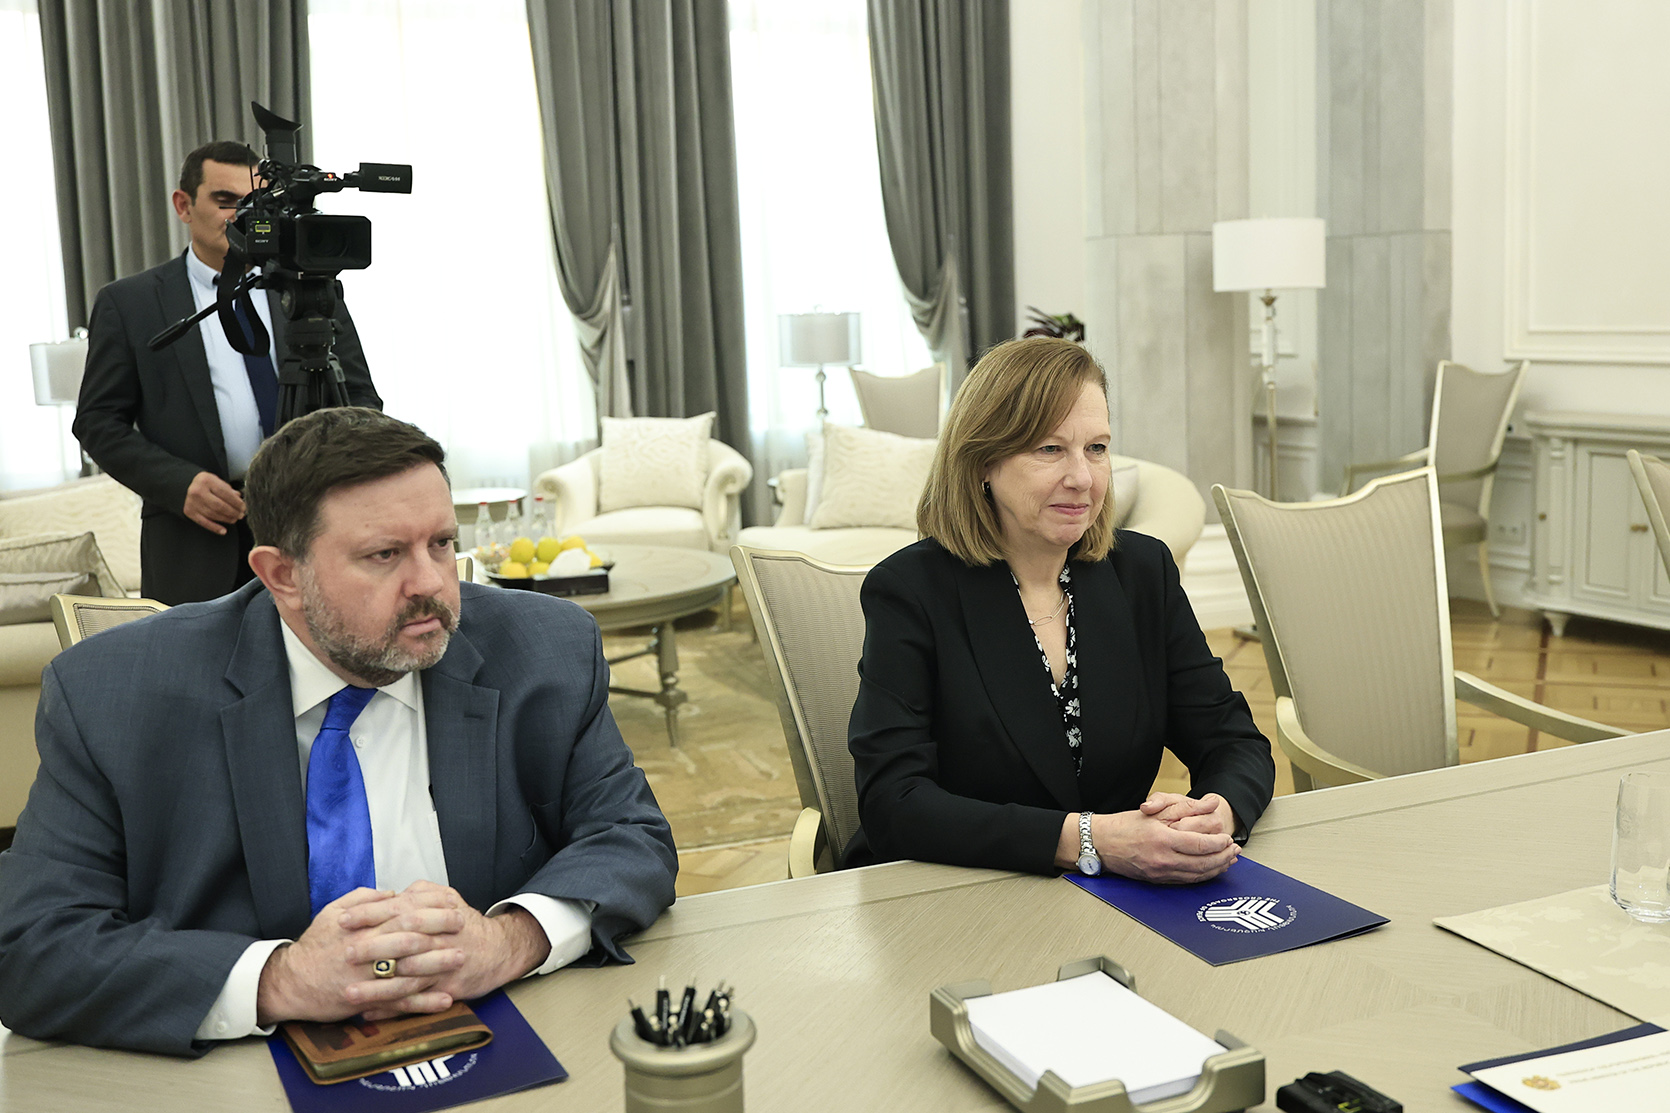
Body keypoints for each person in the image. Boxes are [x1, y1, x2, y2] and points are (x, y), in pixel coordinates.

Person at [0, 407, 677, 1056]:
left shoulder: (544, 649)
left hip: (512, 1039)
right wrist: (283, 980)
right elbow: (32, 945)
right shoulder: (112, 694)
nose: (430, 582)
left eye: (442, 543)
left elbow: (632, 836)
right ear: (281, 575)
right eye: (384, 554)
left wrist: (508, 941)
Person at [845, 337, 1275, 881]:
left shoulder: (1143, 572)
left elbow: (1233, 740)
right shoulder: (909, 591)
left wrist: (1218, 811)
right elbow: (893, 802)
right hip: (955, 890)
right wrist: (1092, 840)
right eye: (1050, 449)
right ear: (982, 461)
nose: (1083, 478)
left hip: (1123, 892)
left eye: (1096, 448)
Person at [74, 140, 381, 605]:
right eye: (225, 201)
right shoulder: (130, 303)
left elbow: (361, 399)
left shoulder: (309, 287)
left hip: (309, 528)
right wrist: (178, 484)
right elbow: (97, 422)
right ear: (184, 205)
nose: (243, 215)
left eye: (255, 202)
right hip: (194, 540)